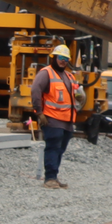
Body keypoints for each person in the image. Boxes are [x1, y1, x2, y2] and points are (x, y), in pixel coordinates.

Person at [31, 44, 83, 188]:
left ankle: (54, 176)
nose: (63, 61)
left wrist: (80, 97)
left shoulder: (69, 76)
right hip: (52, 119)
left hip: (67, 121)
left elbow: (77, 95)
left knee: (60, 149)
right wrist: (39, 112)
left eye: (66, 59)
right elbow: (35, 90)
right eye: (60, 57)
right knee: (53, 147)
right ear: (53, 57)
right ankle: (50, 178)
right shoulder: (46, 73)